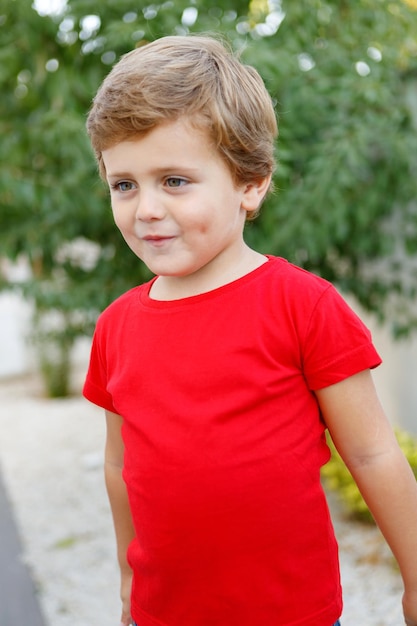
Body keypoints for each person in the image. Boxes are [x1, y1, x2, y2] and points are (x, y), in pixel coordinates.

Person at [83, 34, 417, 626]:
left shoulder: (302, 305)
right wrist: (128, 578)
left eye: (175, 181)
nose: (146, 208)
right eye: (124, 184)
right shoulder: (116, 328)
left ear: (250, 183)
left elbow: (370, 454)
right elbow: (119, 465)